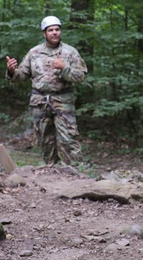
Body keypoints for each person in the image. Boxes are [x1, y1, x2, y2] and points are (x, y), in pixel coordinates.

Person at [6, 15, 88, 166]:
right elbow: (22, 76)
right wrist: (12, 71)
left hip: (63, 102)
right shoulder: (34, 53)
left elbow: (81, 76)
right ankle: (51, 174)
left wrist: (64, 68)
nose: (55, 33)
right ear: (44, 33)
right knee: (45, 141)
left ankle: (77, 175)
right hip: (40, 103)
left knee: (68, 140)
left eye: (57, 29)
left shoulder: (70, 52)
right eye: (51, 30)